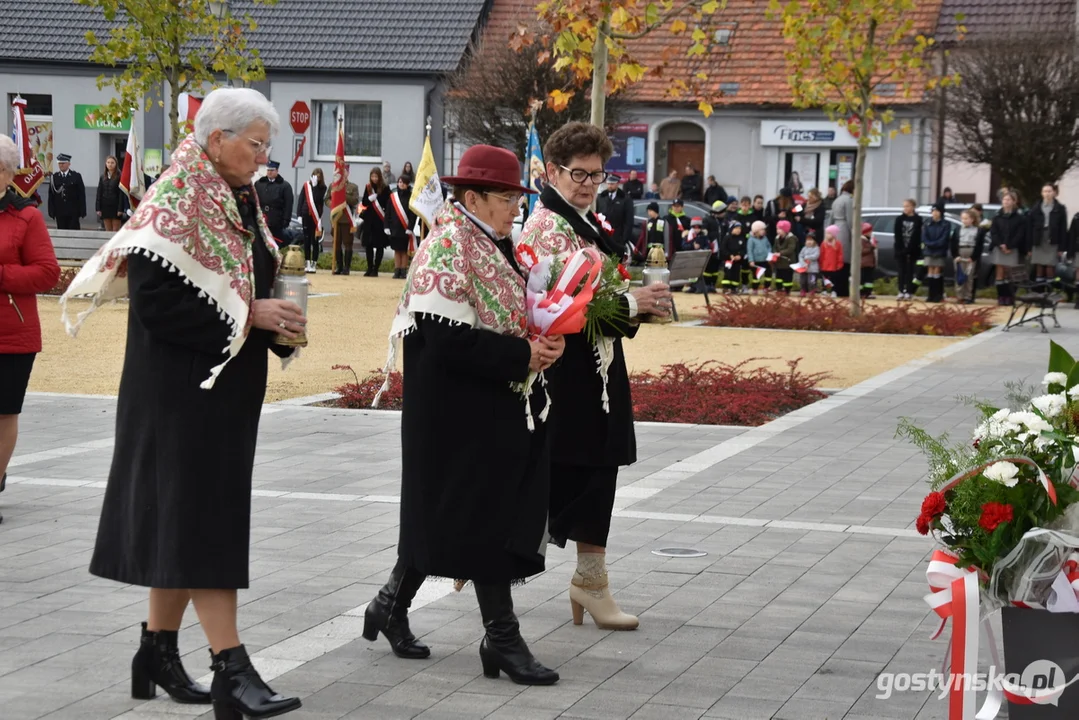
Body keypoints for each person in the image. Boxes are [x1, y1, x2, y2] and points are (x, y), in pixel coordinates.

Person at [60, 88, 304, 719]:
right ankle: (232, 668)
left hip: (215, 393)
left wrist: (274, 324)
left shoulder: (232, 193)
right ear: (216, 138)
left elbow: (241, 281)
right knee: (204, 528)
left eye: (265, 146)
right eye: (255, 143)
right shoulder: (175, 197)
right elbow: (158, 306)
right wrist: (251, 315)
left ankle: (157, 653)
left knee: (183, 523)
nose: (261, 156)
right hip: (178, 396)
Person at [363, 144, 565, 685]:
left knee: (448, 516)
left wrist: (543, 340)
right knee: (481, 518)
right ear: (472, 197)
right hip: (453, 414)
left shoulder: (493, 241)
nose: (515, 208)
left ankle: (388, 606)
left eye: (517, 197)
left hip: (485, 403)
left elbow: (508, 317)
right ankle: (502, 638)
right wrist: (524, 355)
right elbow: (449, 341)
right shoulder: (448, 244)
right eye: (505, 198)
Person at [517, 122, 672, 632]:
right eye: (577, 173)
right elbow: (561, 306)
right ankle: (481, 555)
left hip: (598, 366)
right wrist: (632, 302)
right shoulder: (546, 227)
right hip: (564, 371)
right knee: (555, 473)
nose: (587, 183)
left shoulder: (588, 220)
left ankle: (590, 580)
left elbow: (600, 298)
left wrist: (639, 307)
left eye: (596, 174)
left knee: (597, 471)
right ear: (552, 171)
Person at [0, 136, 60, 525]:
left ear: (6, 173)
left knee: (3, 414)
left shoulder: (27, 216)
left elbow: (48, 273)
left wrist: (2, 275)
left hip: (11, 334)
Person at [990, 191, 1029, 306]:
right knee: (1000, 272)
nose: (1006, 202)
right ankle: (1001, 296)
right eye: (1004, 200)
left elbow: (1020, 234)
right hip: (999, 247)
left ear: (1014, 202)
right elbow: (994, 232)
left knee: (1010, 273)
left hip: (1012, 248)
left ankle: (1010, 296)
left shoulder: (1019, 218)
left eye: (1008, 200)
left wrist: (1010, 246)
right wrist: (1000, 244)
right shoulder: (997, 217)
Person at [1027, 183, 1068, 287]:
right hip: (1039, 238)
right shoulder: (1036, 208)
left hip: (1052, 238)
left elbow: (1063, 228)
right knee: (1039, 266)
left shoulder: (1060, 208)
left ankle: (1049, 293)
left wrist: (1061, 247)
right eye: (1045, 191)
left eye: (1049, 191)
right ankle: (1039, 293)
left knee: (1050, 266)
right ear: (1041, 193)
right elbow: (1029, 227)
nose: (1047, 194)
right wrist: (1029, 246)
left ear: (1054, 193)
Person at [360, 168, 391, 277]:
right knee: (368, 245)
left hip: (380, 220)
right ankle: (369, 267)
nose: (374, 179)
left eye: (376, 177)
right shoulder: (368, 187)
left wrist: (379, 199)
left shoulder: (385, 188)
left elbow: (388, 203)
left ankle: (376, 269)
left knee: (379, 245)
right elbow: (364, 202)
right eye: (372, 176)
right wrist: (369, 199)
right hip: (369, 220)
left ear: (379, 177)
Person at [254, 160, 294, 242]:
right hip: (262, 217)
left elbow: (288, 204)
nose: (269, 172)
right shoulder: (259, 184)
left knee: (276, 242)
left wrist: (286, 220)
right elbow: (255, 200)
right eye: (268, 170)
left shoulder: (284, 186)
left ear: (276, 171)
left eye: (272, 170)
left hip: (277, 220)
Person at [952, 209, 987, 304]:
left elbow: (979, 245)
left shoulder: (978, 230)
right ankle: (960, 296)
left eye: (966, 218)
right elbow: (953, 243)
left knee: (969, 276)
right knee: (959, 275)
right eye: (963, 218)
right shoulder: (957, 229)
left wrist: (974, 257)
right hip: (960, 252)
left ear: (972, 219)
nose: (964, 220)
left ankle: (968, 296)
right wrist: (955, 255)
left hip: (971, 253)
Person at [596, 176, 635, 258]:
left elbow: (628, 221)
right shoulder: (601, 197)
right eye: (608, 183)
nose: (610, 186)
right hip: (603, 236)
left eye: (612, 184)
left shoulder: (625, 199)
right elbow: (596, 216)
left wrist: (624, 239)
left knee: (616, 261)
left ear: (617, 184)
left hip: (618, 237)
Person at [386, 175, 416, 279]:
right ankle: (397, 270)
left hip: (405, 228)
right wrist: (386, 226)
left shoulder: (411, 197)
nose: (401, 184)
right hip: (394, 228)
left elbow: (413, 215)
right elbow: (388, 213)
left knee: (404, 250)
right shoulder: (393, 196)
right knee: (396, 250)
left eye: (403, 182)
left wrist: (410, 228)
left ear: (407, 184)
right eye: (399, 182)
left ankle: (403, 271)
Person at [893, 199, 923, 301]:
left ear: (913, 207)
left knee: (910, 271)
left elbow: (916, 236)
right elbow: (897, 235)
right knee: (901, 271)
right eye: (904, 206)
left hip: (912, 250)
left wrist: (909, 249)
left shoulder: (918, 219)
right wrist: (901, 249)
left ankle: (909, 291)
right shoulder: (899, 219)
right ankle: (901, 290)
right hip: (900, 249)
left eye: (907, 206)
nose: (905, 208)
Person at [333, 166, 360, 275]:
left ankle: (346, 267)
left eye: (344, 172)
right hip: (336, 218)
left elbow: (355, 200)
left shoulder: (353, 187)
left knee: (348, 244)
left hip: (346, 219)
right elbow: (327, 199)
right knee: (336, 244)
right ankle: (339, 267)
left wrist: (342, 193)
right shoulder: (333, 185)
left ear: (348, 173)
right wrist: (332, 205)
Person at [829, 180, 854, 297]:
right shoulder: (849, 200)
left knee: (837, 260)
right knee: (845, 260)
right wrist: (854, 234)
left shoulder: (837, 200)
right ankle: (843, 289)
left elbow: (831, 217)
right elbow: (850, 220)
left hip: (835, 229)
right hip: (844, 230)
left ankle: (836, 288)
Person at [922, 204, 951, 303]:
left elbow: (944, 238)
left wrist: (934, 244)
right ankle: (930, 295)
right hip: (929, 250)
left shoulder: (945, 224)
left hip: (940, 250)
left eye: (937, 211)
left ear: (941, 212)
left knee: (937, 271)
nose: (934, 213)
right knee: (930, 270)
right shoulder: (927, 223)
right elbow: (924, 237)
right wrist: (929, 244)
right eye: (933, 211)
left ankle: (938, 295)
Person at [48, 153, 86, 230]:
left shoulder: (76, 176)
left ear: (69, 164)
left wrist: (82, 211)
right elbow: (51, 195)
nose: (61, 165)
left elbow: (81, 194)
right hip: (60, 210)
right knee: (61, 231)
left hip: (73, 211)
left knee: (74, 231)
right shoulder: (54, 177)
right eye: (59, 163)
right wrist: (51, 211)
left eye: (63, 163)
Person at [96, 156, 124, 232]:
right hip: (105, 206)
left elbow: (121, 194)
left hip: (115, 207)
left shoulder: (120, 176)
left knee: (115, 231)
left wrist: (120, 209)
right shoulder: (103, 177)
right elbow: (99, 192)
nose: (110, 164)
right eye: (108, 162)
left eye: (112, 163)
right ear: (106, 164)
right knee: (108, 230)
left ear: (116, 164)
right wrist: (98, 208)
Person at [794, 188, 825, 253]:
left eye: (811, 197)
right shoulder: (805, 204)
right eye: (808, 196)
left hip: (815, 233)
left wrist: (801, 220)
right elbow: (794, 210)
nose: (809, 198)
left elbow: (817, 221)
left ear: (816, 197)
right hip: (804, 232)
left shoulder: (820, 207)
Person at [746, 220, 772, 293]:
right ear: (756, 231)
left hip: (765, 260)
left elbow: (769, 246)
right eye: (762, 230)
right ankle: (755, 288)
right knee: (756, 276)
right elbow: (749, 251)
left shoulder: (765, 238)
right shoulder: (751, 240)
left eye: (764, 229)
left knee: (768, 273)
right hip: (756, 261)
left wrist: (769, 254)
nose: (764, 231)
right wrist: (751, 260)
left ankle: (766, 287)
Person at [773, 219, 798, 295]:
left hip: (788, 262)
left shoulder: (791, 238)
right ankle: (779, 289)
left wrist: (780, 253)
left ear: (785, 230)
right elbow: (774, 247)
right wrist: (774, 252)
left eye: (780, 229)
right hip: (779, 263)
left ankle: (787, 290)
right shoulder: (777, 238)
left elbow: (791, 249)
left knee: (787, 277)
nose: (778, 230)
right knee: (778, 277)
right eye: (777, 228)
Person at [721, 221, 747, 294]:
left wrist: (740, 255)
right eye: (736, 228)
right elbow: (723, 248)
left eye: (739, 228)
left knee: (736, 274)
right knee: (727, 273)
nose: (738, 230)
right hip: (728, 260)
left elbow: (744, 249)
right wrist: (729, 255)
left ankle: (734, 288)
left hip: (737, 261)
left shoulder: (742, 238)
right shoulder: (727, 237)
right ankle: (725, 287)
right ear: (731, 228)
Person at [819, 226, 844, 296]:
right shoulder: (823, 244)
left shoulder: (838, 244)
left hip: (834, 266)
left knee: (833, 279)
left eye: (829, 233)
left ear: (833, 234)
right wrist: (820, 264)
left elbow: (840, 255)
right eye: (826, 233)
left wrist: (839, 264)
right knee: (825, 279)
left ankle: (833, 291)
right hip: (825, 266)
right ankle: (826, 290)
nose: (827, 235)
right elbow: (821, 254)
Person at [859, 222, 877, 299]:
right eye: (869, 231)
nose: (871, 233)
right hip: (863, 264)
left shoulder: (869, 240)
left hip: (869, 264)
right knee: (863, 279)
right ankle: (861, 293)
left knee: (869, 280)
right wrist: (871, 247)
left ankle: (868, 292)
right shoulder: (861, 240)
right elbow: (861, 251)